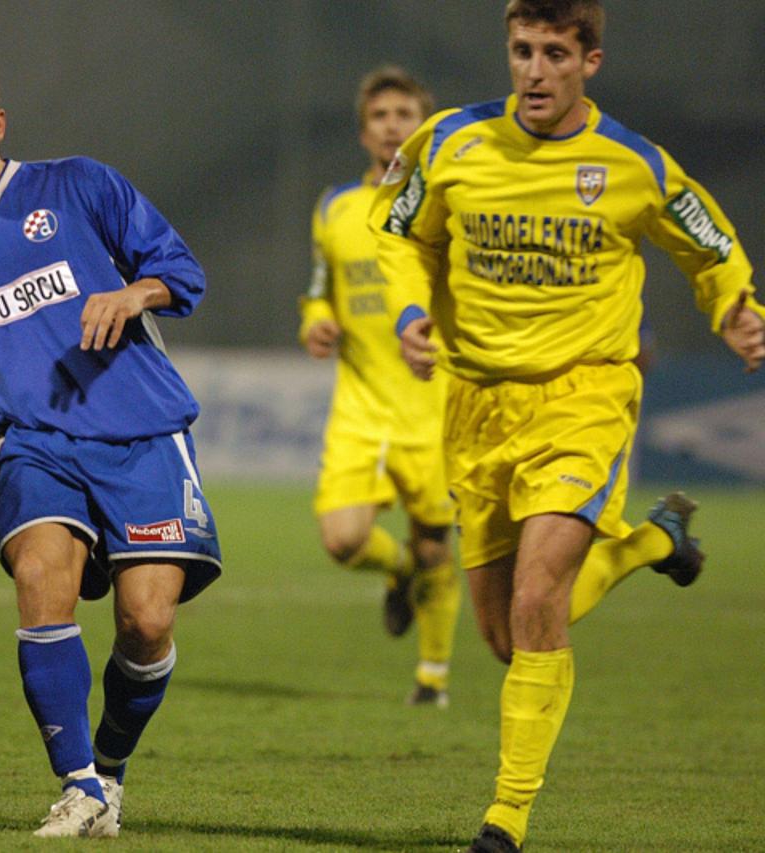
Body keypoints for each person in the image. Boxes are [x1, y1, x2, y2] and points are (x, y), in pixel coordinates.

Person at [371, 1, 765, 850]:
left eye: (555, 53)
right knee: (507, 636)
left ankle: (505, 819)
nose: (536, 70)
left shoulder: (632, 164)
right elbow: (404, 237)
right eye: (522, 51)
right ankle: (657, 540)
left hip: (584, 398)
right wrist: (410, 310)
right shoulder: (452, 142)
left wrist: (735, 303)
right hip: (477, 405)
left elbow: (709, 242)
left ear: (591, 62)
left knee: (540, 594)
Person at [0, 48, 221, 838]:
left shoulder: (79, 184)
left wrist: (135, 293)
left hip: (143, 433)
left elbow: (180, 269)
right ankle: (79, 784)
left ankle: (111, 768)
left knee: (148, 622)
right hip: (35, 448)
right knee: (39, 571)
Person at [299, 67, 460, 708]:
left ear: (424, 127)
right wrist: (316, 320)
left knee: (434, 546)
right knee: (342, 539)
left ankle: (433, 678)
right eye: (380, 116)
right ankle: (394, 573)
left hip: (432, 401)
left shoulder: (445, 203)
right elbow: (319, 288)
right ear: (364, 131)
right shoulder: (335, 208)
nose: (392, 126)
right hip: (361, 405)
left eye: (404, 115)